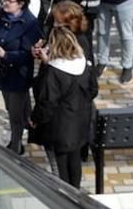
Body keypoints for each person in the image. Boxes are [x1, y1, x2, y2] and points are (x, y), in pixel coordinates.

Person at [31, 26, 96, 188]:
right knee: (74, 159)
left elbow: (46, 103)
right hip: (79, 122)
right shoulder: (84, 65)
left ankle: (65, 196)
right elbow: (93, 91)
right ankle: (76, 191)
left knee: (60, 167)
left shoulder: (53, 72)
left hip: (59, 126)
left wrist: (34, 119)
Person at [0, 0, 41, 153]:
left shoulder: (30, 23)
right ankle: (31, 124)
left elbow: (28, 55)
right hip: (1, 72)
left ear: (21, 4)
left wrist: (6, 56)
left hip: (18, 75)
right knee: (15, 104)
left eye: (9, 1)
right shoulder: (3, 14)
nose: (5, 3)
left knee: (14, 113)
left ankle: (16, 145)